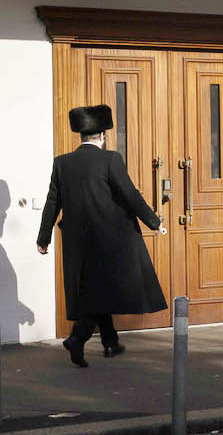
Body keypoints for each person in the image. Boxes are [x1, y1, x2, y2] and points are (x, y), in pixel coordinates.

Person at [37, 104, 167, 367]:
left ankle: (110, 342)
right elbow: (130, 195)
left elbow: (53, 202)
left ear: (82, 136)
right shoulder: (111, 159)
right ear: (102, 136)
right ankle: (78, 337)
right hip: (110, 241)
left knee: (96, 290)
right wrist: (154, 222)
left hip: (78, 243)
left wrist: (43, 239)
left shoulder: (62, 163)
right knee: (101, 291)